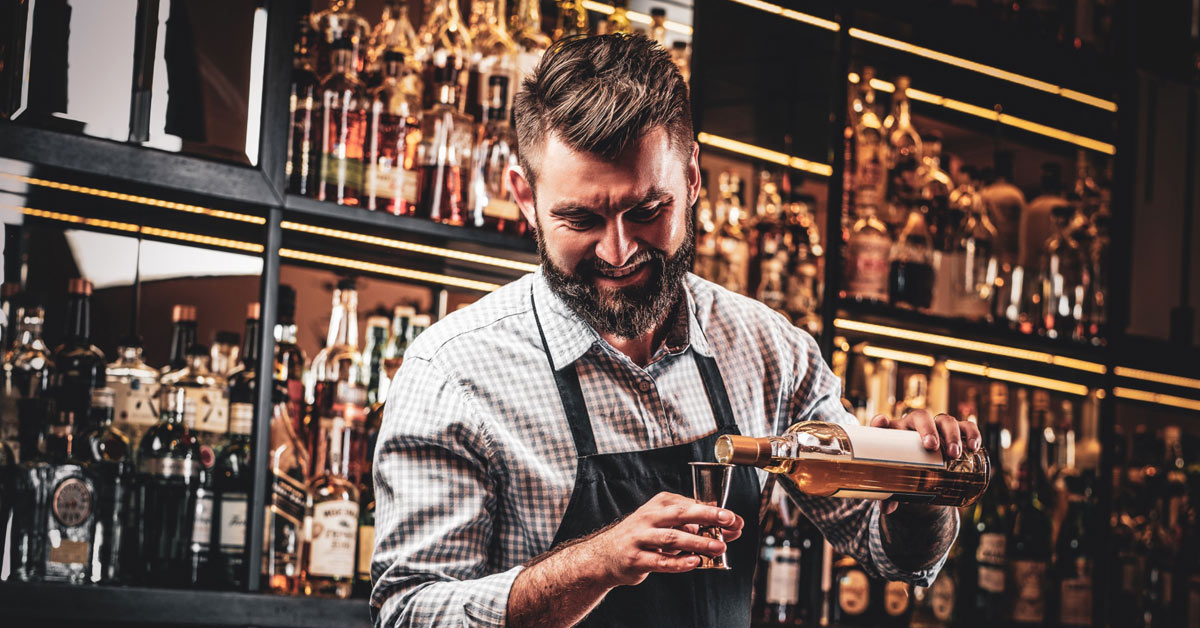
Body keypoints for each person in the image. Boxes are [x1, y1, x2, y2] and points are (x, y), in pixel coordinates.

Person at [371, 34, 977, 628]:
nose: (618, 250)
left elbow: (891, 553)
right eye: (580, 218)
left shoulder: (770, 351)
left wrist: (919, 488)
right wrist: (596, 563)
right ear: (524, 199)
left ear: (691, 178)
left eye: (646, 211)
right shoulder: (453, 375)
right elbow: (408, 611)